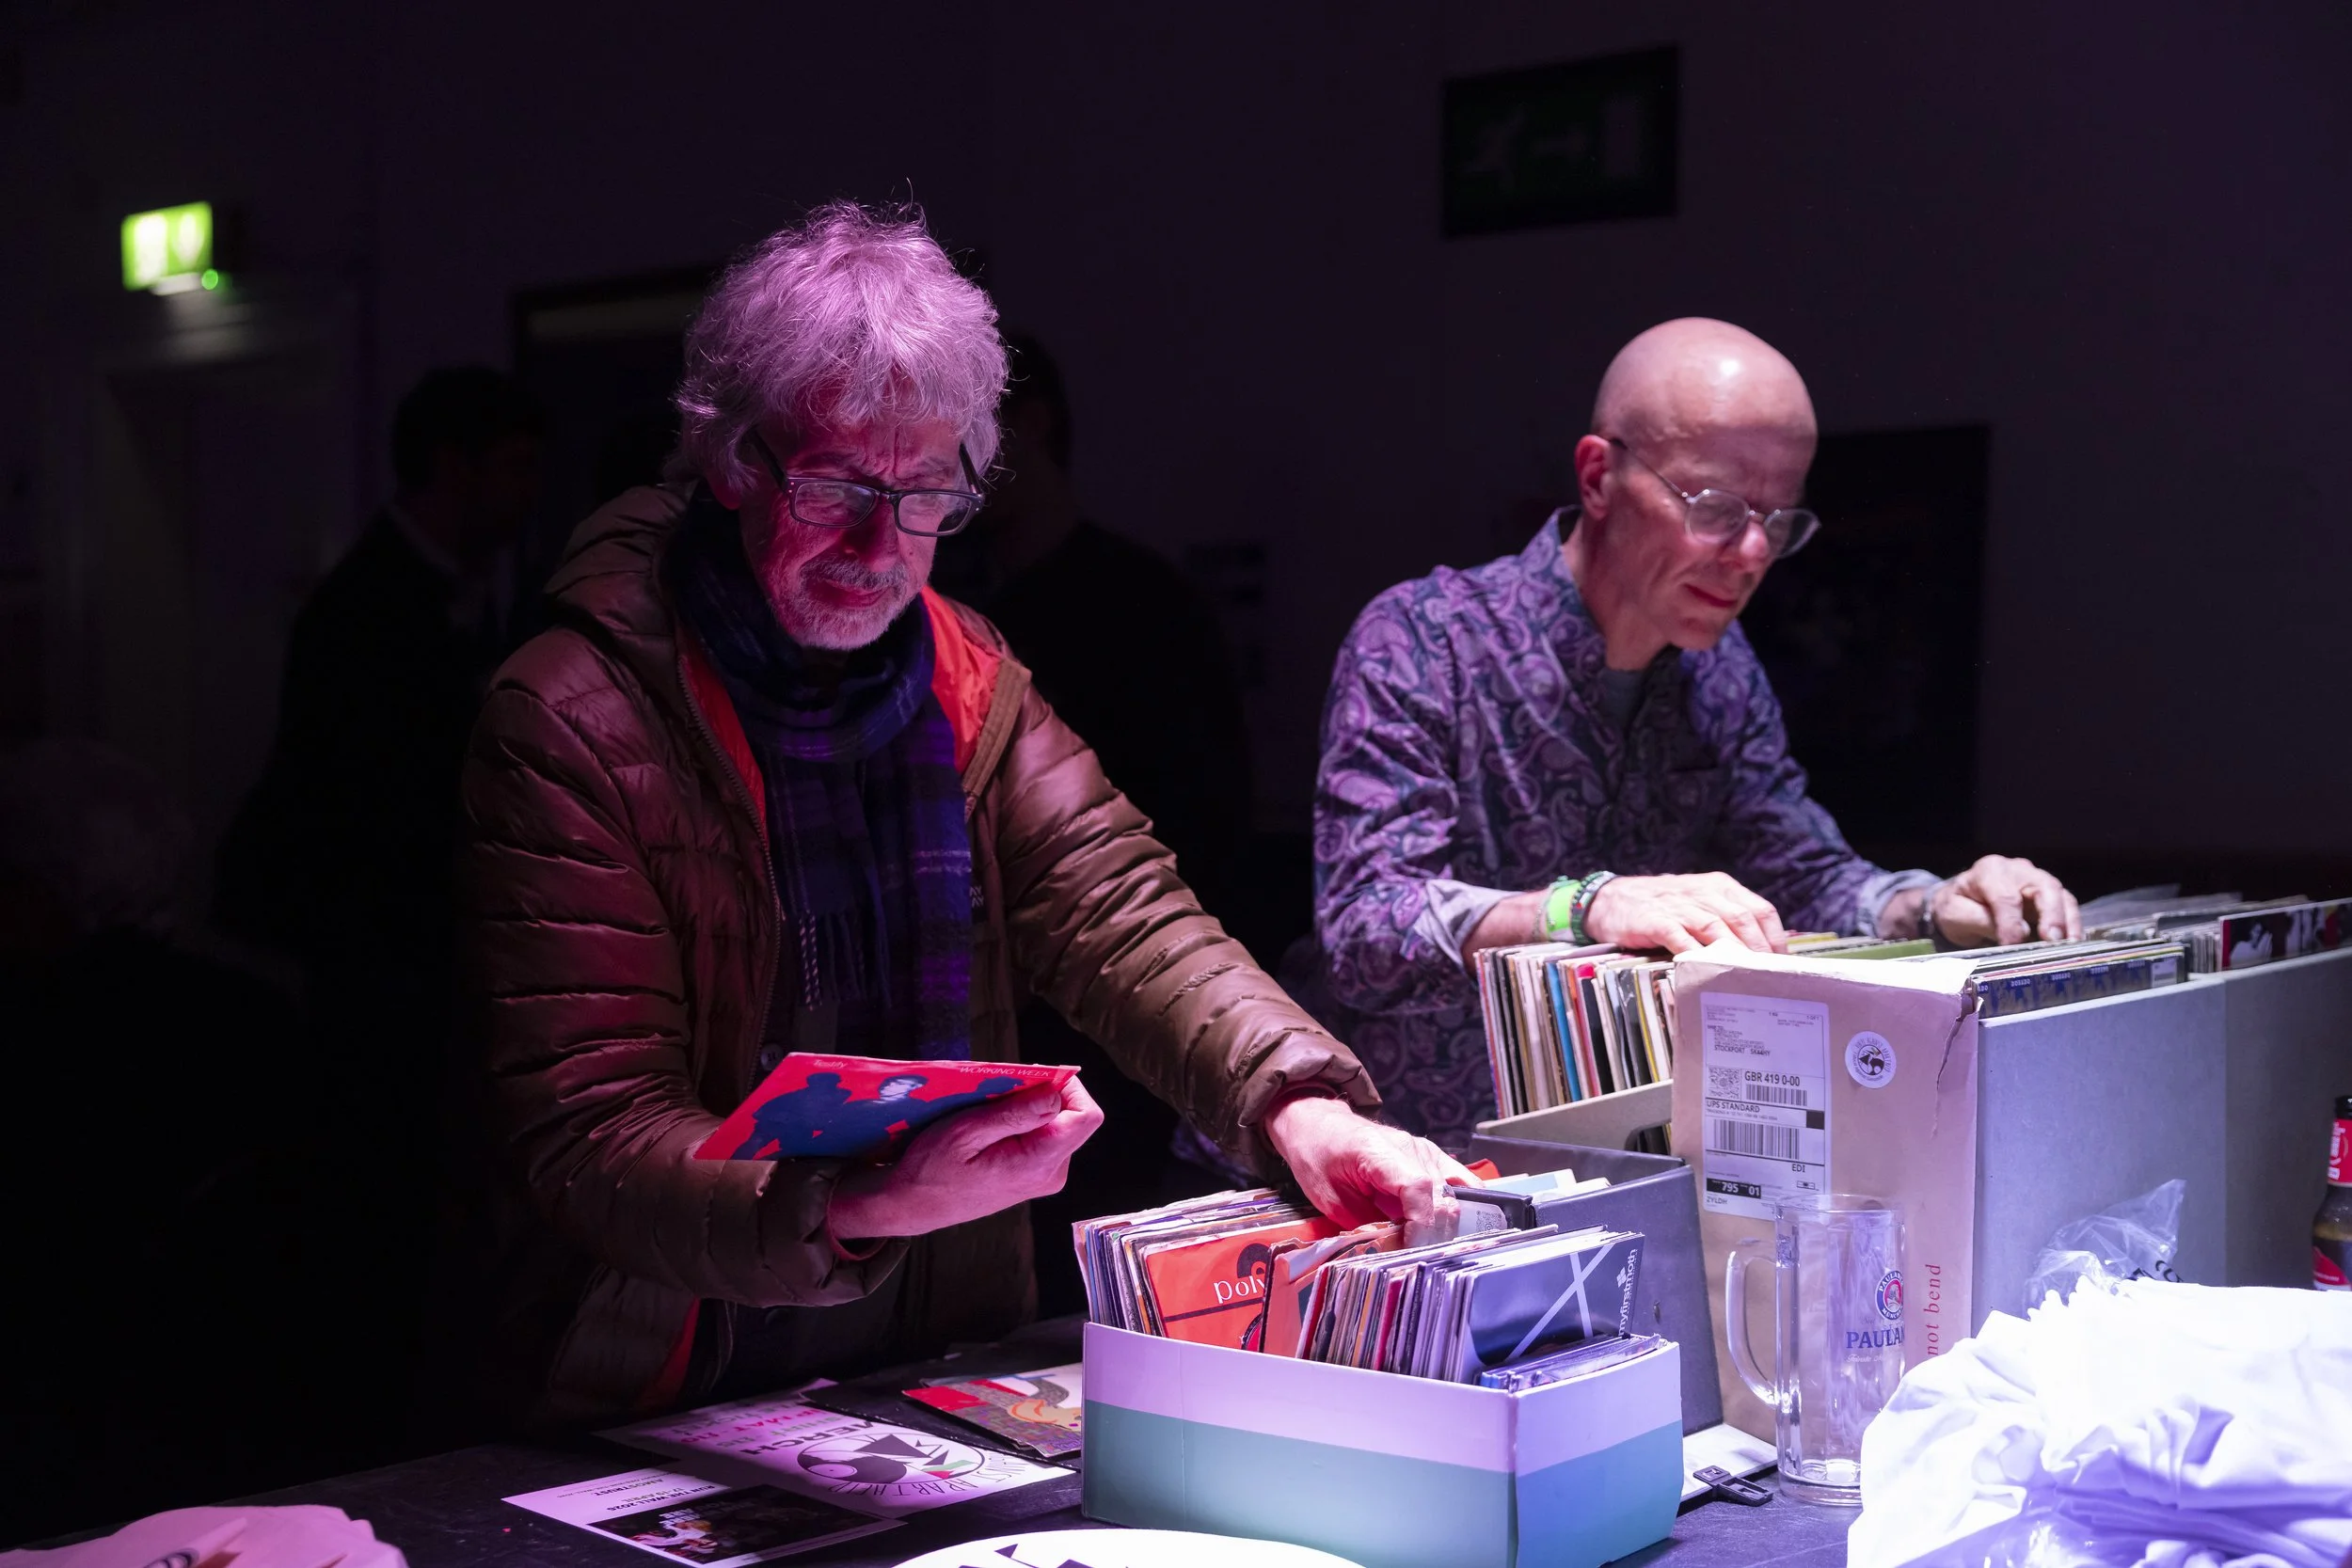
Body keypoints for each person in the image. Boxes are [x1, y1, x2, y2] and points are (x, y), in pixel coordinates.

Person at [445, 201, 1465, 1430]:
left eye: (927, 492)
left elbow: (1118, 912)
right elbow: (590, 1129)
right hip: (651, 1369)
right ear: (729, 457)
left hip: (929, 1349)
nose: (882, 545)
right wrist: (858, 1202)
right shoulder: (574, 711)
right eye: (834, 485)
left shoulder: (963, 669)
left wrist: (1300, 1104)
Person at [1311, 318, 2081, 1148]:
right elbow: (1365, 924)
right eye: (1715, 507)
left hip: (1597, 1166)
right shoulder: (1425, 637)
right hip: (1389, 1158)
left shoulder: (1721, 668)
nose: (1752, 553)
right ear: (1599, 477)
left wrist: (1934, 902)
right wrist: (1589, 903)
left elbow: (1801, 869)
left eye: (1779, 519)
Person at [932, 333, 1259, 1311]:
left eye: (950, 456)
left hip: (1118, 1048)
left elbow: (1166, 866)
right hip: (983, 1048)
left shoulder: (1138, 607)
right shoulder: (947, 612)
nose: (941, 495)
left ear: (1024, 426)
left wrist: (1274, 1083)